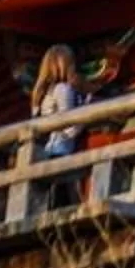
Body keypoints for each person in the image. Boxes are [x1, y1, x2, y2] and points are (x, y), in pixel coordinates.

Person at [32, 44, 86, 208]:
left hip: (48, 149)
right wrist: (85, 115)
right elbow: (67, 124)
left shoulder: (41, 95)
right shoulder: (63, 90)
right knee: (66, 202)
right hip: (62, 149)